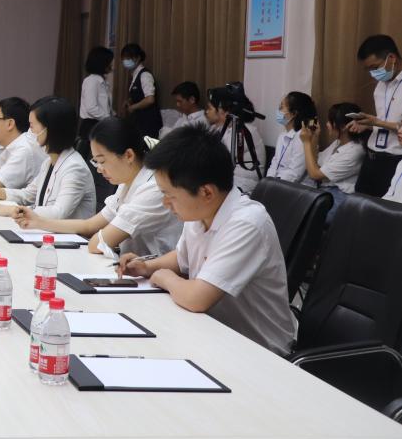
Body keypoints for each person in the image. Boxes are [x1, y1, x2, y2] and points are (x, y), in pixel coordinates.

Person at [119, 126, 295, 355]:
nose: (165, 203)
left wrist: (163, 277)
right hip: (213, 334)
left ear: (206, 193)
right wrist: (146, 266)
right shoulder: (199, 212)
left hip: (259, 351)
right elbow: (182, 258)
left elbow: (196, 298)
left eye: (170, 195)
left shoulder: (247, 224)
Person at [19, 117, 182, 257]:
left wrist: (98, 237)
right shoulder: (127, 181)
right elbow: (89, 225)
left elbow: (98, 243)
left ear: (128, 155)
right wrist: (38, 222)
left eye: (102, 161)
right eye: (96, 162)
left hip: (156, 275)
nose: (99, 169)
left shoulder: (153, 187)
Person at [0, 96, 95, 221]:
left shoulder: (74, 167)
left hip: (63, 233)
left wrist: (11, 210)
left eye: (32, 126)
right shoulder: (49, 162)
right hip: (43, 229)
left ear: (50, 128)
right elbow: (28, 194)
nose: (29, 132)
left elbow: (58, 213)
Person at [350, 35, 402, 196]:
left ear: (391, 58)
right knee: (359, 204)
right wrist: (368, 125)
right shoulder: (380, 86)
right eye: (369, 70)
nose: (373, 73)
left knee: (384, 209)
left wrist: (377, 122)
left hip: (394, 161)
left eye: (375, 67)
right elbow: (386, 120)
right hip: (371, 157)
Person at [300, 102, 368, 217]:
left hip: (340, 196)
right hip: (325, 191)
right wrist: (315, 137)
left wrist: (306, 143)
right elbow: (316, 162)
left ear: (343, 127)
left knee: (304, 214)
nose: (327, 124)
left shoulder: (355, 151)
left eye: (330, 121)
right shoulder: (338, 142)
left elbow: (315, 174)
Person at [205, 83, 265, 194]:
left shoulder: (245, 131)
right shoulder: (218, 128)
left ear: (223, 110)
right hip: (227, 181)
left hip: (243, 185)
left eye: (210, 108)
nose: (206, 112)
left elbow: (219, 160)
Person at [267, 92, 318, 183]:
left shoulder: (303, 137)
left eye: (281, 107)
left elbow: (294, 174)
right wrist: (267, 181)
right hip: (277, 183)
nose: (278, 111)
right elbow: (274, 163)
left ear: (294, 113)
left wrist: (273, 184)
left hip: (294, 187)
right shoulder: (282, 135)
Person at [117, 43, 161, 139]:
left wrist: (133, 107)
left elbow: (150, 99)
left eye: (129, 58)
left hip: (148, 122)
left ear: (138, 58)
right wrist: (129, 100)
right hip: (139, 121)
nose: (125, 61)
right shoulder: (135, 75)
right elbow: (139, 94)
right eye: (124, 58)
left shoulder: (145, 75)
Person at [78, 46, 113, 138]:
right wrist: (108, 118)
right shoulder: (92, 81)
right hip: (91, 125)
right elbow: (91, 108)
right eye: (109, 62)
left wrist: (113, 115)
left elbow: (105, 105)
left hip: (101, 123)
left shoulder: (103, 81)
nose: (111, 65)